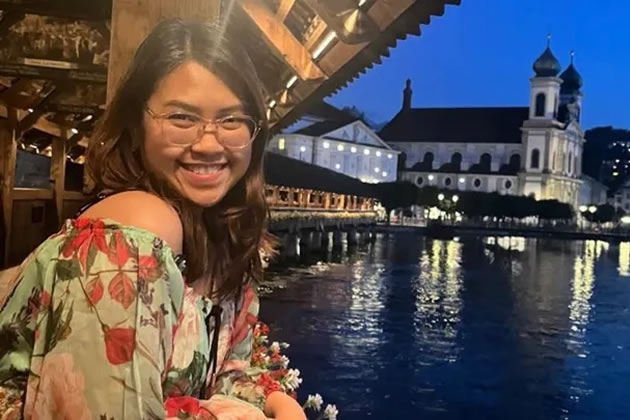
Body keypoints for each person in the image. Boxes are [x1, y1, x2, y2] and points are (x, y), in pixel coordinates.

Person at [0, 20, 306, 420]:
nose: (208, 143)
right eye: (182, 117)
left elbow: (227, 371)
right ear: (136, 124)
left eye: (231, 120)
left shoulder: (222, 236)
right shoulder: (135, 229)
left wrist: (276, 401)